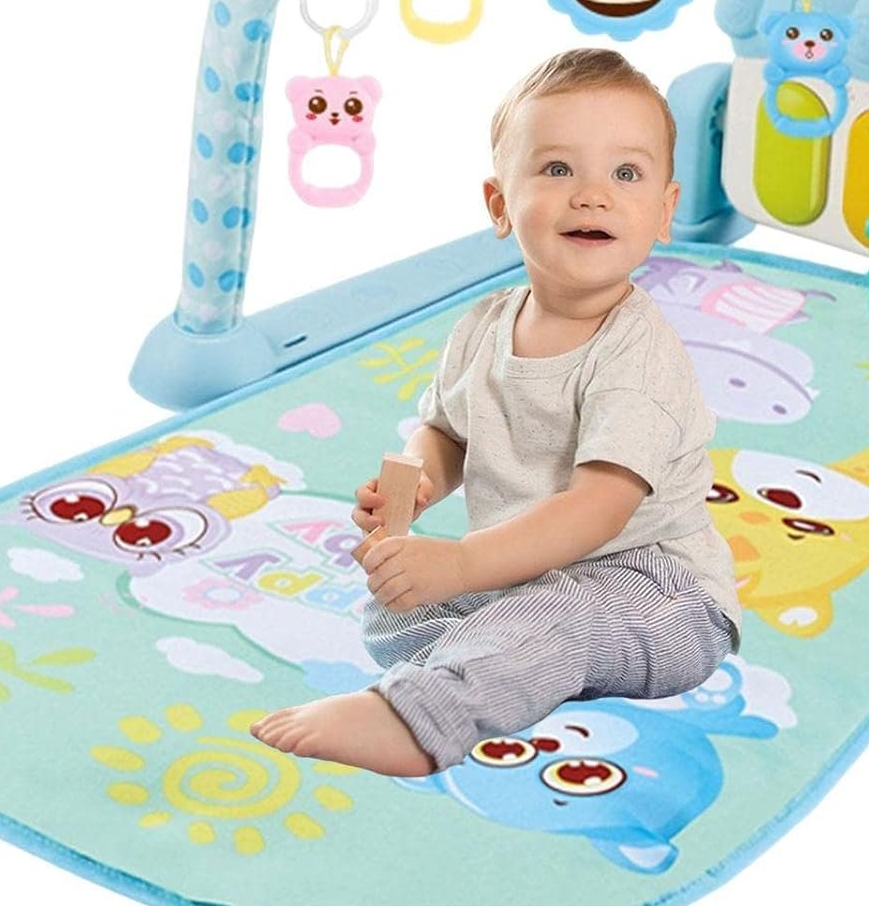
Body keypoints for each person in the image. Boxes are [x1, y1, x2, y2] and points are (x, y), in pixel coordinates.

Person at [250, 48, 743, 775]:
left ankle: (419, 723)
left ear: (665, 212)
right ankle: (511, 662)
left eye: (626, 174)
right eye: (557, 169)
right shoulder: (483, 324)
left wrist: (463, 563)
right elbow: (448, 430)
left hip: (656, 588)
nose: (592, 195)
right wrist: (417, 481)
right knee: (394, 609)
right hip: (529, 574)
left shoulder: (637, 353)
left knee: (555, 613)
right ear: (499, 205)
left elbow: (600, 511)